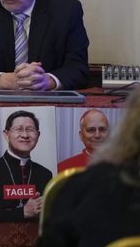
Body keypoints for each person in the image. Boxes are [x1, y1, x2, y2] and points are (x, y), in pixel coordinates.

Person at [38, 88, 140, 247]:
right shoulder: (63, 168)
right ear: (81, 135)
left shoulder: (79, 184)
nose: (97, 135)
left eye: (102, 129)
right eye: (91, 130)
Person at [0, 110, 52, 223]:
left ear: (38, 135)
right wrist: (23, 212)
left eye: (30, 130)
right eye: (18, 129)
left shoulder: (45, 174)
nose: (25, 135)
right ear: (6, 135)